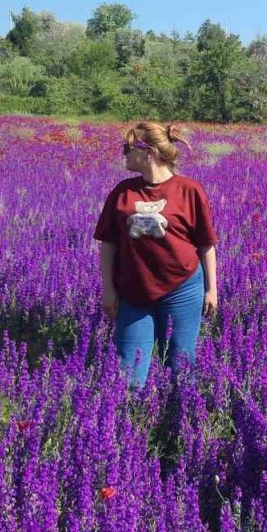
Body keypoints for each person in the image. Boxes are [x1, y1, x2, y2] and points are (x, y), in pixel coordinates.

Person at [95, 122, 218, 386]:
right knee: (129, 372)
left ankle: (177, 411)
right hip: (133, 290)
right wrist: (108, 290)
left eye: (128, 148)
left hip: (183, 288)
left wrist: (212, 290)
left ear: (149, 152)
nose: (123, 153)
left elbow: (206, 244)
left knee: (180, 366)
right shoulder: (122, 192)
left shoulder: (189, 189)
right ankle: (133, 412)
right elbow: (108, 243)